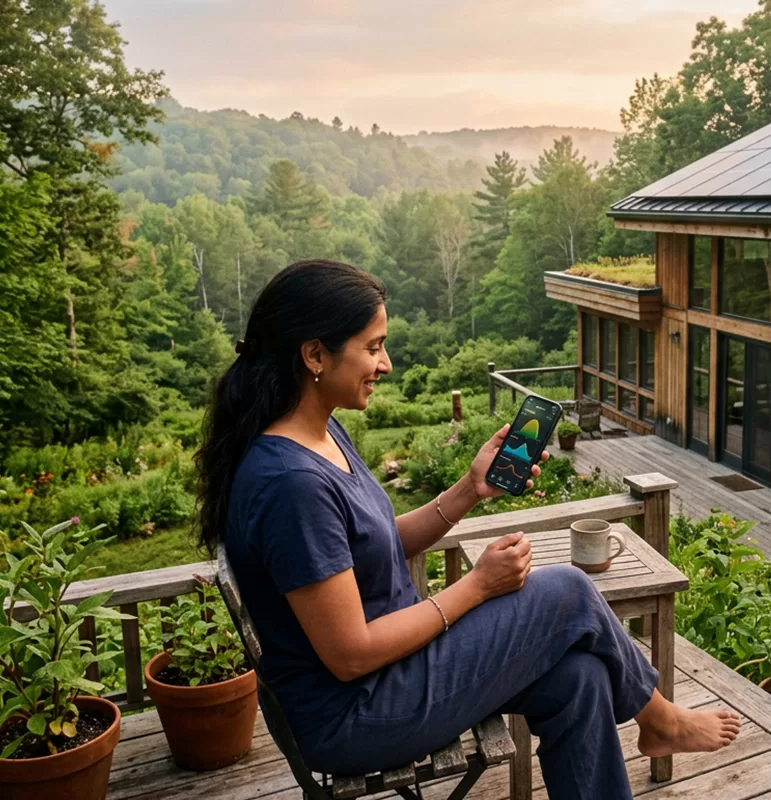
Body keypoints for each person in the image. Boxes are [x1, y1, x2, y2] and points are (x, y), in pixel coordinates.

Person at [196, 260, 740, 799]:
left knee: (580, 680)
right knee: (569, 592)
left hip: (398, 673)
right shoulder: (292, 484)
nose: (385, 363)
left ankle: (655, 723)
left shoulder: (321, 434)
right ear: (314, 354)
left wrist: (468, 490)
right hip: (358, 712)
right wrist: (477, 586)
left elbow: (376, 542)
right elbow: (351, 653)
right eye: (373, 346)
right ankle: (661, 719)